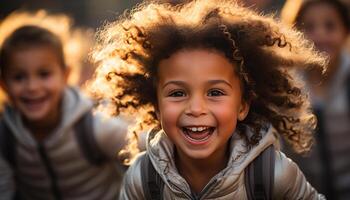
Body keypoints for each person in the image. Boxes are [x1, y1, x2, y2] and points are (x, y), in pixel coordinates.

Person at [89, 0, 327, 199]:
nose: (196, 108)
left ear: (242, 105)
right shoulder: (143, 178)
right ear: (157, 107)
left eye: (214, 93)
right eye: (177, 93)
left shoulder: (272, 173)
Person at [0, 25, 128, 199]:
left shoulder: (94, 126)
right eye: (19, 77)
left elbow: (149, 151)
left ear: (65, 76)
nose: (32, 87)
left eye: (44, 74)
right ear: (4, 84)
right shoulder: (5, 138)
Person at [283, 0, 350, 199]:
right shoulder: (285, 85)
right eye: (309, 27)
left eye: (330, 26)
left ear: (346, 31)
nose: (320, 35)